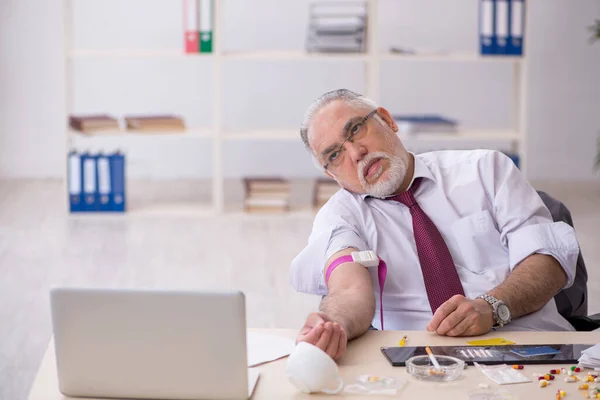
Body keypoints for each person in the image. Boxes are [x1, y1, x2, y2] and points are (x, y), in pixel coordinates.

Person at [290, 89, 580, 361]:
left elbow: (547, 261)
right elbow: (348, 289)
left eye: (355, 129)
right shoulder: (340, 215)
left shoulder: (486, 170)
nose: (355, 153)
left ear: (387, 120)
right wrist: (332, 323)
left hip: (531, 348)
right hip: (421, 363)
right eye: (334, 155)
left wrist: (492, 306)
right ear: (332, 175)